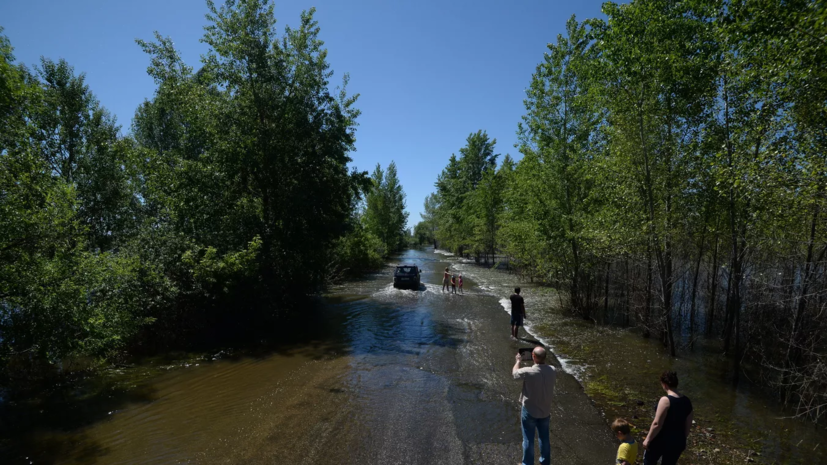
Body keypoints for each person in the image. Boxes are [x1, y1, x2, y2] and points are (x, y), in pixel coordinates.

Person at [512, 346, 556, 465]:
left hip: (529, 410)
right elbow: (544, 368)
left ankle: (527, 463)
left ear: (533, 356)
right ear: (545, 357)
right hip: (545, 410)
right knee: (544, 438)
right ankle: (545, 462)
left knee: (528, 439)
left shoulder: (528, 371)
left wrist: (518, 361)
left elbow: (515, 374)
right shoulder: (552, 370)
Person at [642, 371, 693, 465]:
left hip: (661, 440)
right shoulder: (687, 401)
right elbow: (688, 425)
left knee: (649, 461)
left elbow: (657, 424)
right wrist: (681, 439)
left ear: (664, 384)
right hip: (678, 441)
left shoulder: (665, 400)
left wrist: (647, 439)